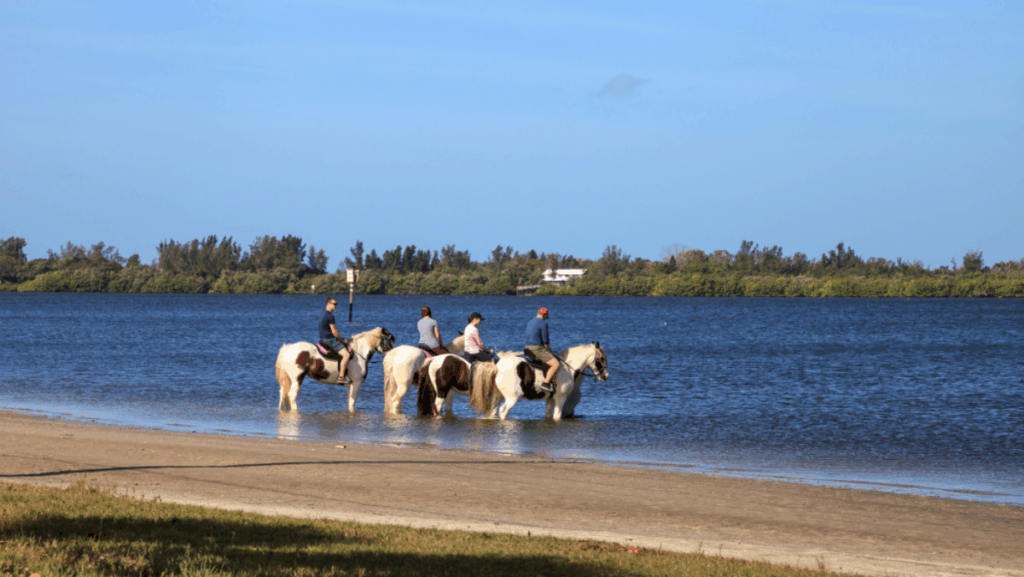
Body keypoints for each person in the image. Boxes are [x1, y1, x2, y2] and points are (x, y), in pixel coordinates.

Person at [319, 298, 352, 384]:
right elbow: (334, 332)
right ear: (328, 304)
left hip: (324, 338)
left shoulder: (323, 314)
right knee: (346, 355)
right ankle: (341, 377)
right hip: (330, 340)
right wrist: (342, 340)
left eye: (336, 304)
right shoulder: (330, 316)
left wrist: (339, 339)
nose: (336, 305)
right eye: (334, 304)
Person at [524, 307, 557, 393]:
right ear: (545, 315)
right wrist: (549, 351)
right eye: (546, 316)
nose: (546, 318)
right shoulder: (543, 323)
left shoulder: (529, 322)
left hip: (527, 347)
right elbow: (545, 341)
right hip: (537, 348)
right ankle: (546, 383)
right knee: (556, 364)